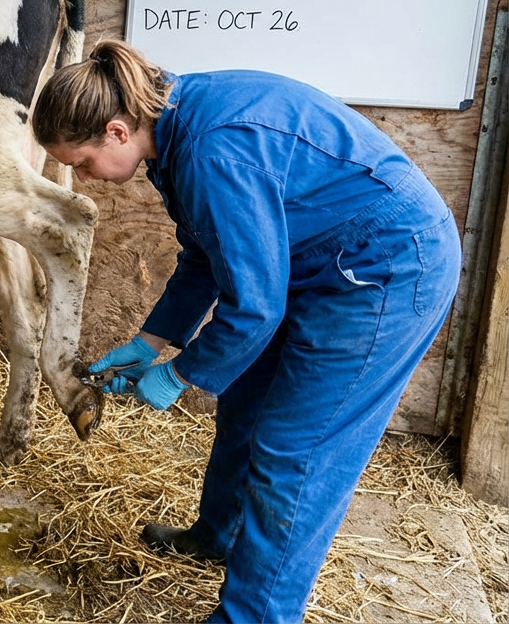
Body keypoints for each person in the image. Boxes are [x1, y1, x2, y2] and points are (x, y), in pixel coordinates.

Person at [32, 39, 461, 623]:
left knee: (295, 452)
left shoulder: (213, 151)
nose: (86, 177)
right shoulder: (169, 130)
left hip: (384, 265)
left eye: (80, 162)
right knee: (247, 406)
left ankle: (253, 616)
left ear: (114, 131)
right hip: (318, 260)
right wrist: (151, 341)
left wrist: (179, 375)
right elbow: (206, 255)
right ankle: (220, 536)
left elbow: (254, 307)